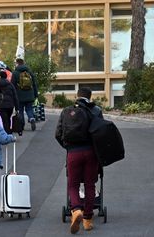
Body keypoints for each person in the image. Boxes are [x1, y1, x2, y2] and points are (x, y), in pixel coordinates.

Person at [55, 87, 103, 234]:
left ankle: (76, 210)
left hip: (73, 152)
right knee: (89, 184)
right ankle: (88, 220)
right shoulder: (95, 110)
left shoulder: (66, 111)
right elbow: (101, 132)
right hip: (90, 152)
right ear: (90, 96)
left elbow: (58, 134)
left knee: (73, 184)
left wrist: (68, 147)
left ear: (77, 96)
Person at [11, 58, 38, 131]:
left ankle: (22, 125)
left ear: (17, 63)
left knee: (20, 110)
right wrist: (35, 94)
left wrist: (12, 96)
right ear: (24, 63)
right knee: (29, 108)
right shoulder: (29, 72)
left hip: (19, 96)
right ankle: (31, 118)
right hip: (30, 94)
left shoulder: (15, 73)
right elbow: (34, 84)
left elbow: (12, 85)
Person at [0, 69, 19, 134]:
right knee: (8, 118)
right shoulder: (10, 84)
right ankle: (8, 131)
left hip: (1, 104)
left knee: (4, 119)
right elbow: (15, 96)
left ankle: (6, 132)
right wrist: (17, 108)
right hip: (10, 105)